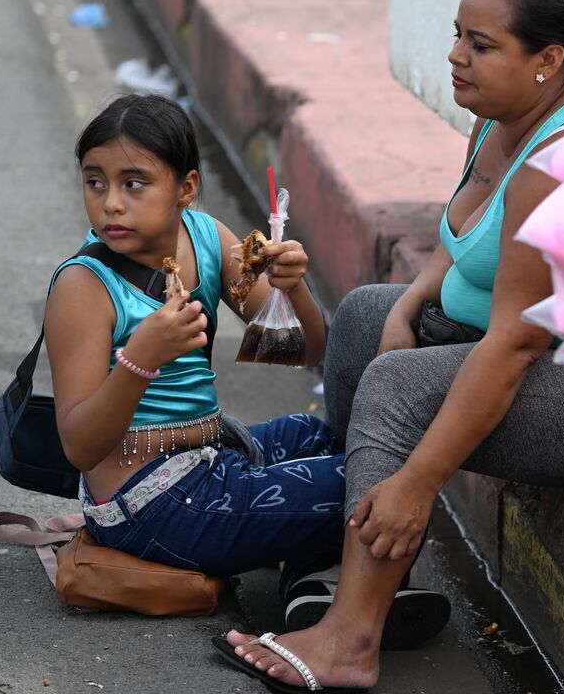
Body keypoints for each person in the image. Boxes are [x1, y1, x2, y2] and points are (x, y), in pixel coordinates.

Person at [215, 0, 564, 694]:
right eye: (458, 35)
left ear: (548, 60)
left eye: (482, 43)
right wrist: (410, 299)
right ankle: (339, 544)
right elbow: (466, 240)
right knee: (367, 317)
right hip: (540, 350)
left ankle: (352, 636)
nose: (458, 55)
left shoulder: (561, 161)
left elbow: (513, 344)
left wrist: (415, 483)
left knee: (398, 385)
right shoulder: (500, 117)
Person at [45, 95, 413, 623]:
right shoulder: (84, 286)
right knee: (379, 484)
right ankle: (334, 583)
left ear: (187, 189)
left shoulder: (206, 237)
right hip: (150, 503)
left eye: (133, 183)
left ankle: (309, 585)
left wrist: (294, 288)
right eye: (94, 181)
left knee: (330, 441)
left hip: (211, 456)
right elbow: (80, 446)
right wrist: (140, 360)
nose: (111, 204)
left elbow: (304, 352)